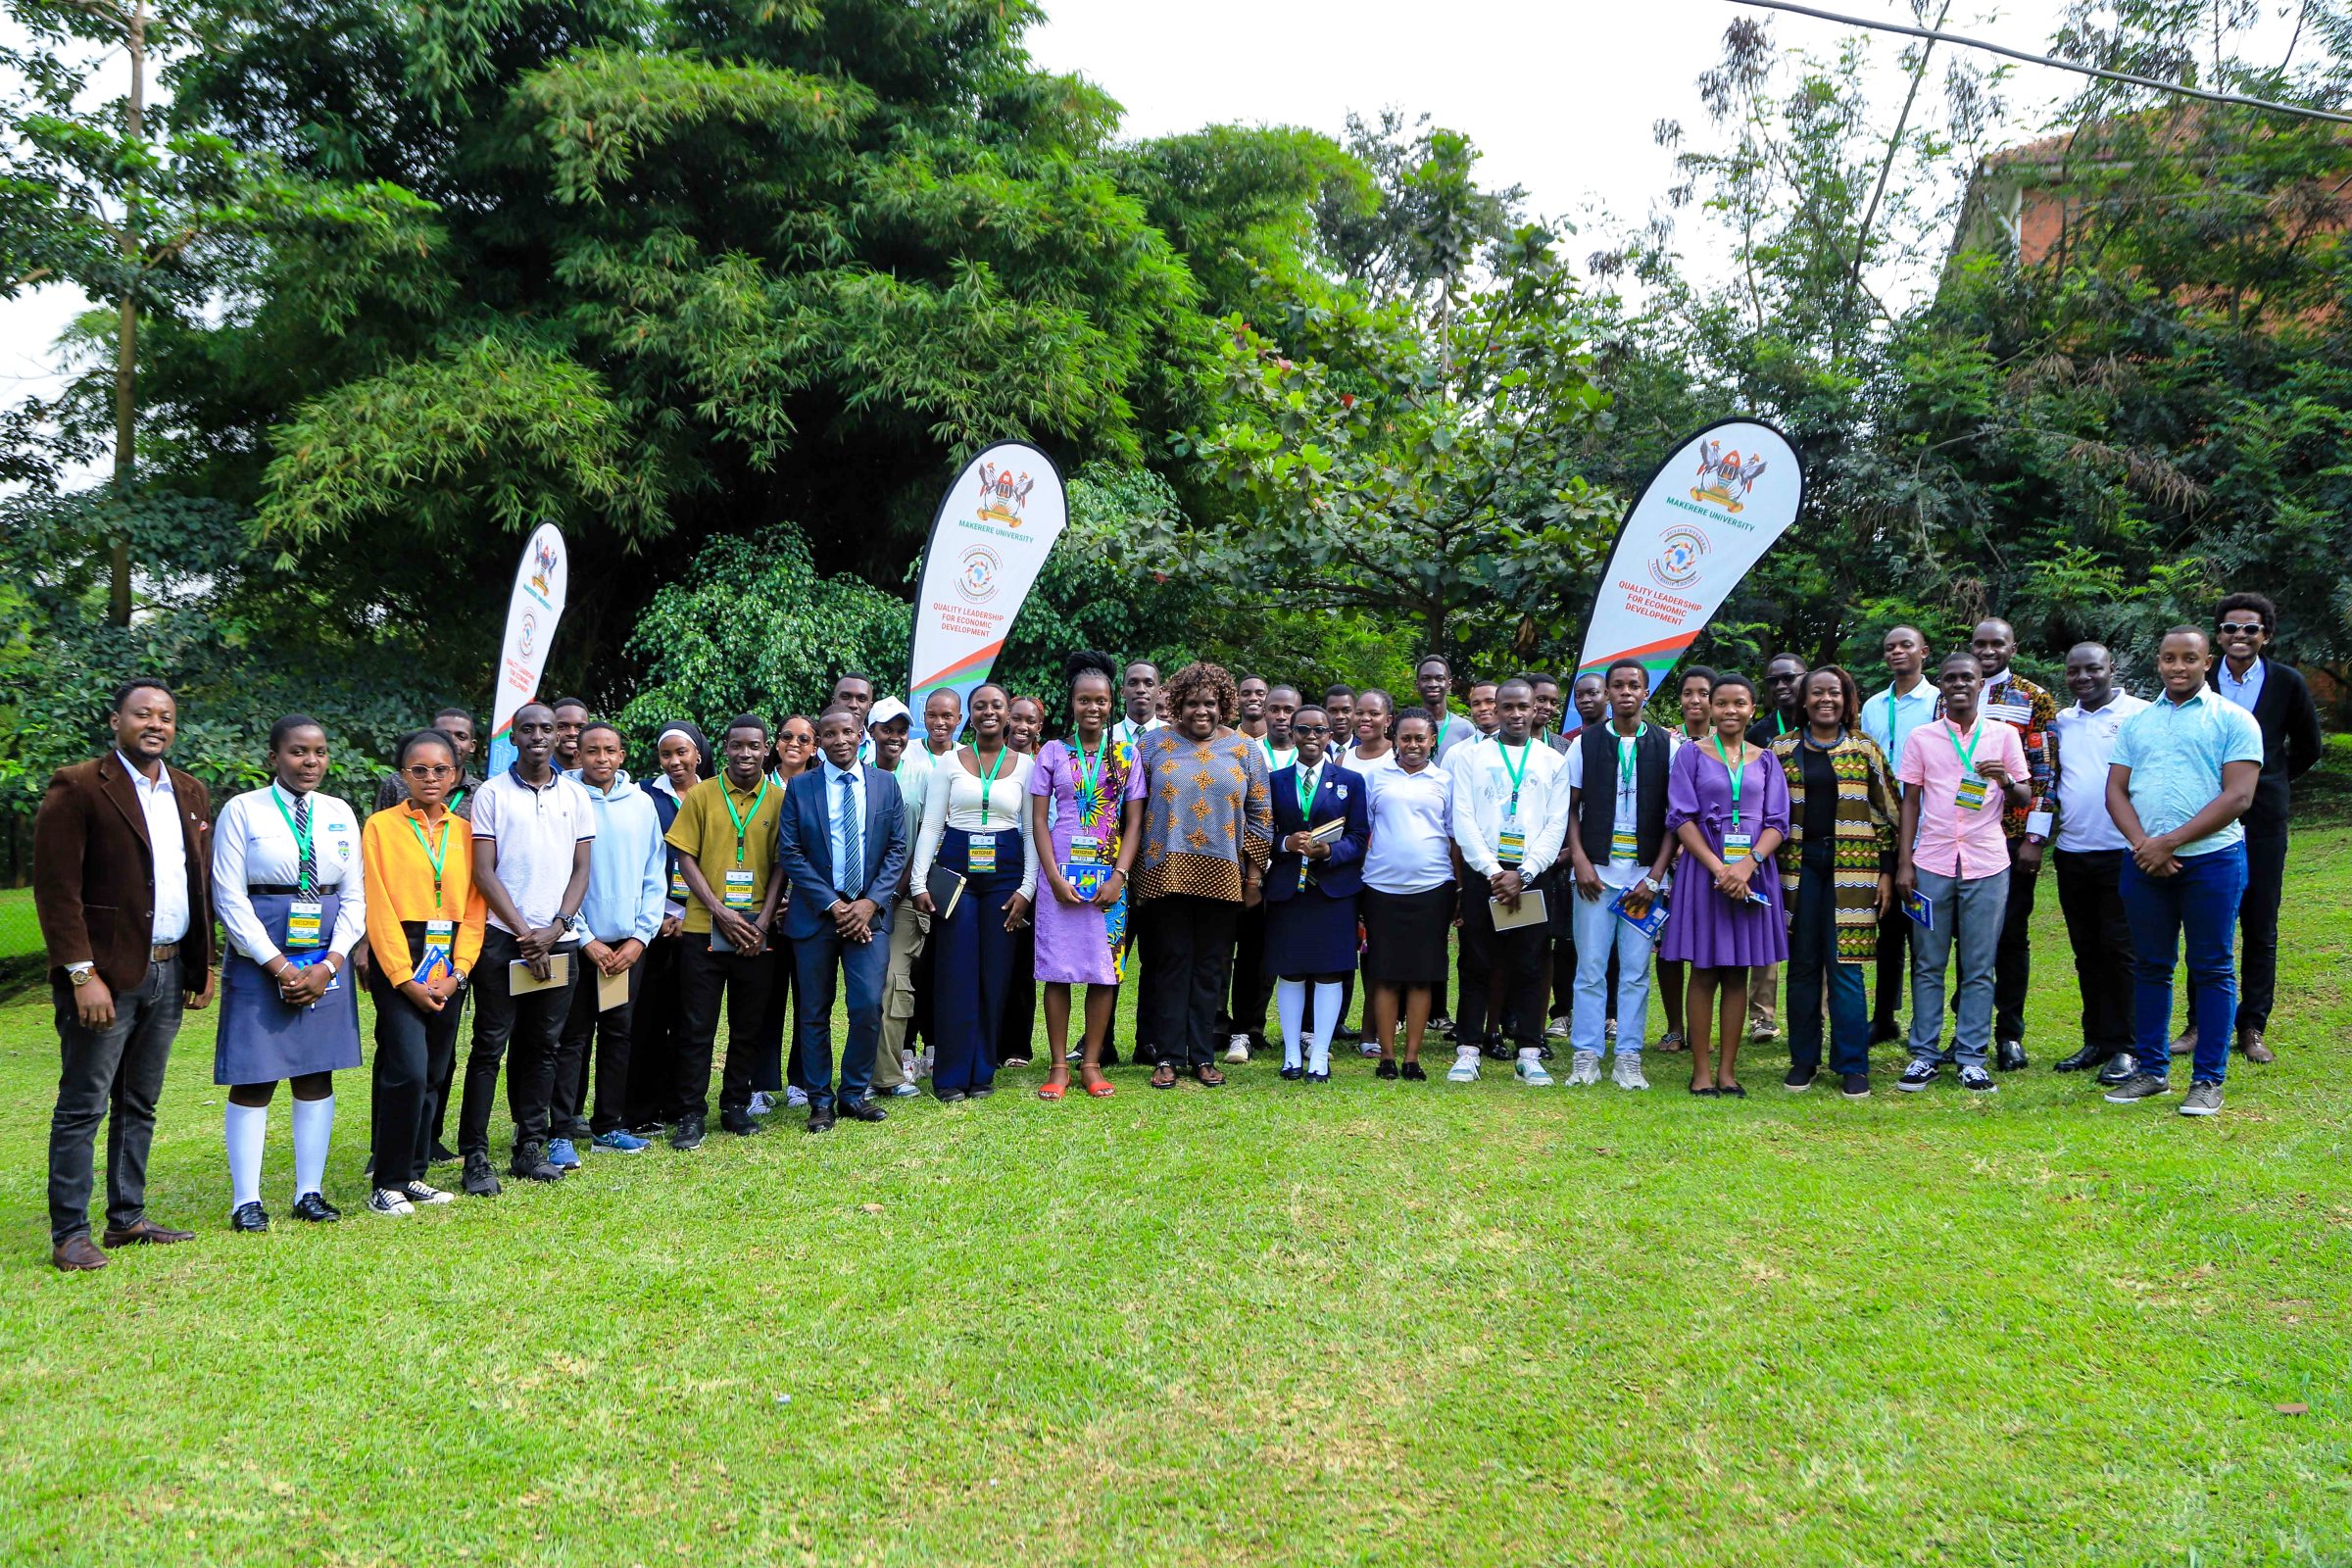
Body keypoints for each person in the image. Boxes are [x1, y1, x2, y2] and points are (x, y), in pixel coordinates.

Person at [36, 679, 216, 1269]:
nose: (156, 724)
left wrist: (202, 962)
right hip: (106, 977)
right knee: (84, 1104)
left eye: (165, 715)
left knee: (140, 1102)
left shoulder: (189, 791)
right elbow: (57, 890)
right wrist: (81, 972)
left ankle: (127, 1218)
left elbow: (195, 882)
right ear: (117, 721)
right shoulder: (81, 785)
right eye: (144, 714)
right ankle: (70, 1233)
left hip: (168, 970)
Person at [211, 715, 367, 1231]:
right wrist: (276, 965)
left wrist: (331, 963)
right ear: (273, 757)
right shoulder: (243, 810)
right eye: (299, 752)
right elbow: (229, 898)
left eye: (320, 752)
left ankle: (310, 1192)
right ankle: (246, 1200)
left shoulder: (340, 812)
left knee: (315, 1071)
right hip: (261, 948)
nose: (311, 762)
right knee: (255, 1076)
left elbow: (354, 896)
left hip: (324, 952)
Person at [2101, 627, 2265, 1117]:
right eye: (2169, 659)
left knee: (2212, 968)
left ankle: (2208, 1080)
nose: (2178, 667)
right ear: (2158, 662)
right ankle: (2151, 1071)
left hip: (2213, 860)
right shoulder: (2138, 723)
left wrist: (2170, 842)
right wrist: (2143, 845)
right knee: (2151, 966)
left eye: (2189, 659)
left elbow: (2239, 797)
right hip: (2145, 861)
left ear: (2206, 662)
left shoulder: (2234, 719)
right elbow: (2115, 791)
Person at [457, 702, 594, 1192]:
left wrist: (556, 928)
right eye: (528, 729)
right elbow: (483, 871)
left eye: (547, 728)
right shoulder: (491, 795)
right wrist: (524, 935)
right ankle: (474, 1154)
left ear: (559, 737)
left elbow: (582, 870)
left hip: (561, 942)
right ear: (512, 738)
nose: (538, 736)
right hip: (502, 940)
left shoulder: (575, 796)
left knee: (544, 1047)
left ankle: (529, 1145)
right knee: (490, 1046)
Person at [2184, 591, 2324, 1064]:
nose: (2239, 636)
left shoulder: (2286, 681)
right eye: (2229, 628)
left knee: (2260, 923)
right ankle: (2199, 1023)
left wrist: (2272, 780)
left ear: (2266, 635)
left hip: (2263, 820)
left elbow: (2308, 746)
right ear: (2216, 635)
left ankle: (2252, 1027)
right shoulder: (2197, 681)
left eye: (2250, 628)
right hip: (2206, 816)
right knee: (2206, 920)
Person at [1893, 653, 2032, 1095]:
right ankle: (1924, 1055)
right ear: (1942, 685)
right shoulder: (1922, 737)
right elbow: (1910, 802)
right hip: (1931, 862)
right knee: (1928, 961)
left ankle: (1972, 1056)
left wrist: (2007, 780)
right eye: (1950, 678)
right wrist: (1904, 863)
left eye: (1966, 678)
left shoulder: (2004, 736)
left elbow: (2026, 793)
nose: (1958, 685)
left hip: (1987, 864)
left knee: (1978, 964)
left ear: (1980, 685)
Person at [361, 728, 486, 1215]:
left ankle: (414, 1175)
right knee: (406, 1070)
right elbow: (378, 906)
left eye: (441, 769)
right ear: (403, 775)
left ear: (455, 775)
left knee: (435, 1071)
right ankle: (386, 1182)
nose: (430, 778)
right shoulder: (381, 826)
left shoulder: (464, 831)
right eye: (419, 770)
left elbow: (475, 907)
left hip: (448, 959)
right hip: (402, 957)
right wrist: (402, 978)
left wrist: (459, 972)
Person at [1130, 662, 1272, 1090]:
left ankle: (1204, 1055)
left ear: (1224, 704)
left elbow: (1261, 817)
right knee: (1169, 964)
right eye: (1192, 703)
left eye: (1210, 703)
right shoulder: (1152, 746)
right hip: (1163, 874)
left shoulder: (1246, 750)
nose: (1201, 711)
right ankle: (1168, 1056)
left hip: (1224, 876)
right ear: (1176, 705)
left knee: (1211, 968)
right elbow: (1131, 811)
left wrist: (1252, 880)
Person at [775, 706, 909, 1131]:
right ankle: (819, 1100)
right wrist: (834, 905)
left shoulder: (886, 785)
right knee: (813, 1011)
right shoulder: (801, 788)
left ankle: (853, 1093)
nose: (840, 740)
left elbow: (896, 849)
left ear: (861, 735)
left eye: (847, 732)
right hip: (816, 918)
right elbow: (791, 853)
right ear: (819, 742)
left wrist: (870, 903)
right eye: (829, 734)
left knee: (868, 1005)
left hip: (869, 918)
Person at [1769, 668, 1897, 1099]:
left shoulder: (1864, 749)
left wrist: (1887, 870)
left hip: (1855, 867)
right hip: (1797, 866)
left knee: (1846, 967)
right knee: (1803, 965)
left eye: (1834, 692)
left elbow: (1888, 812)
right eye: (1817, 693)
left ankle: (1852, 1065)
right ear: (1803, 701)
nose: (1826, 699)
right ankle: (1803, 1060)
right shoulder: (1781, 749)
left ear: (1847, 699)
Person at [1662, 673, 1789, 1098]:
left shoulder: (1767, 759)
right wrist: (1721, 868)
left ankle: (1728, 1072)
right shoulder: (1690, 755)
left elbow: (1778, 823)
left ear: (1753, 708)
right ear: (1711, 708)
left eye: (1739, 703)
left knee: (1737, 972)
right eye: (1722, 703)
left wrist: (1747, 865)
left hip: (1753, 872)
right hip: (1705, 873)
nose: (1730, 710)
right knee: (1702, 970)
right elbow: (1681, 817)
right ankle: (1701, 1071)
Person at [1029, 651, 1148, 1100]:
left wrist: (1120, 875)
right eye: (1083, 700)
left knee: (1105, 971)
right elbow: (1038, 820)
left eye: (1099, 701)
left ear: (1111, 703)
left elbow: (1134, 822)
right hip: (1058, 876)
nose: (1092, 708)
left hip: (1108, 876)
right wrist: (1053, 878)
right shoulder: (1053, 752)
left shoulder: (1125, 755)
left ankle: (1092, 1064)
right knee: (1057, 971)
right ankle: (1059, 1066)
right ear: (1072, 703)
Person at [911, 683, 1038, 1101]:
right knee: (955, 974)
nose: (988, 712)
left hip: (1005, 873)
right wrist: (918, 882)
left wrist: (1027, 887)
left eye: (996, 706)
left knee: (995, 974)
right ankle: (949, 1076)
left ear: (1008, 714)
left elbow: (1030, 831)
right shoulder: (948, 762)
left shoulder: (1027, 765)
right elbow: (931, 824)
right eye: (980, 706)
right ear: (970, 713)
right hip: (955, 871)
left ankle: (982, 1071)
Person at [665, 715, 788, 1148]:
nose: (745, 753)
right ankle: (690, 1114)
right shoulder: (700, 795)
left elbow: (781, 866)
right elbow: (685, 859)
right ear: (726, 746)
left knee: (747, 1024)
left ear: (765, 747)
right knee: (697, 1026)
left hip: (756, 933)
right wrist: (718, 910)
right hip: (703, 929)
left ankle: (735, 1104)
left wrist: (763, 920)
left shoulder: (777, 799)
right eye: (737, 745)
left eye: (754, 746)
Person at [1565, 661, 1683, 1092]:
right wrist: (1579, 860)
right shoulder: (1585, 743)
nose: (1626, 692)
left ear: (1646, 693)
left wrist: (1654, 878)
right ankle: (1587, 1055)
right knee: (1591, 967)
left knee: (1634, 970)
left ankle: (1628, 1057)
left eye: (1635, 685)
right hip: (1596, 875)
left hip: (1642, 881)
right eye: (1618, 685)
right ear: (1609, 693)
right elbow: (1570, 808)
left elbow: (1676, 818)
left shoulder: (1668, 746)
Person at [552, 722, 665, 1160]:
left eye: (610, 751)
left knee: (619, 1035)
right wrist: (584, 938)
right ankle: (561, 1129)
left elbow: (655, 873)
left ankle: (609, 1126)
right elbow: (561, 873)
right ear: (578, 754)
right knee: (573, 1038)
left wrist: (639, 937)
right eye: (592, 750)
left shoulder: (640, 804)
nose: (601, 758)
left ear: (622, 756)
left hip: (627, 948)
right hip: (579, 944)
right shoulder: (565, 801)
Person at [1449, 677, 1569, 1087]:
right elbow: (1462, 818)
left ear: (1536, 709)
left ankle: (1529, 1053)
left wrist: (1526, 872)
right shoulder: (1472, 758)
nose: (1516, 714)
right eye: (1508, 707)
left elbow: (1556, 824)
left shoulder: (1553, 761)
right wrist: (1492, 871)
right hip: (1488, 873)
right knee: (1477, 961)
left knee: (1530, 964)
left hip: (1532, 873)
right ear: (1495, 711)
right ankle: (1468, 1051)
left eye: (1524, 707)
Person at [2047, 644, 2149, 1084]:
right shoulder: (2063, 722)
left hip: (2123, 851)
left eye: (2093, 669)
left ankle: (2129, 1046)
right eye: (2074, 671)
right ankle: (2097, 1039)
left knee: (2121, 951)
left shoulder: (2140, 714)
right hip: (2072, 851)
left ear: (2112, 669)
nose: (2083, 677)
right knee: (2086, 951)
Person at [1966, 617, 2058, 1071]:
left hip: (2012, 837)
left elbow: (2044, 773)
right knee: (1968, 941)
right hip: (1960, 839)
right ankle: (1967, 1036)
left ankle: (2009, 1034)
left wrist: (2036, 839)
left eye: (1996, 644)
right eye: (1979, 644)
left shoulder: (2033, 698)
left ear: (2012, 648)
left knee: (2011, 938)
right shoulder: (1954, 693)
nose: (1987, 651)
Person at [1263, 704, 1369, 1082]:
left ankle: (1320, 1055)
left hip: (1333, 891)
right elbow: (1261, 832)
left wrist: (1330, 852)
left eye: (1319, 731)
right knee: (1290, 973)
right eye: (1303, 730)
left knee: (1329, 973)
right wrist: (1287, 843)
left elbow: (1359, 837)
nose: (1311, 737)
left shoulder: (1351, 781)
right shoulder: (1274, 780)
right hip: (1289, 891)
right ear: (1291, 735)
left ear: (1330, 736)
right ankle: (1292, 1053)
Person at [1360, 710, 1454, 1079]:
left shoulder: (1444, 780)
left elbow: (1453, 836)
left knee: (1421, 975)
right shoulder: (1375, 778)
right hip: (1381, 888)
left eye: (1420, 738)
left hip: (1433, 888)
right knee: (1384, 974)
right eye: (1405, 738)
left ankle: (1412, 1057)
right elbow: (1362, 830)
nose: (1413, 745)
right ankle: (1386, 1056)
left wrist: (1458, 888)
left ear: (1432, 740)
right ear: (1394, 738)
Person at [627, 721, 710, 1132]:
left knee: (690, 1018)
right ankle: (641, 1111)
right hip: (651, 924)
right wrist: (659, 915)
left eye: (682, 753)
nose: (675, 761)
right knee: (647, 1019)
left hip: (697, 921)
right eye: (666, 754)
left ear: (698, 754)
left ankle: (681, 1105)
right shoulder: (643, 795)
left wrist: (687, 914)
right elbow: (638, 859)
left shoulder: (713, 793)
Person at [1860, 626, 1936, 1046]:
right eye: (1889, 647)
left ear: (1924, 651)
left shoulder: (1938, 701)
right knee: (1887, 928)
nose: (1897, 652)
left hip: (1930, 828)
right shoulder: (1874, 705)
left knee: (1926, 931)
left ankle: (1928, 1021)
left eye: (1906, 645)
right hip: (1882, 828)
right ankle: (1884, 1015)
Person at [1741, 653, 1806, 1046]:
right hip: (1765, 846)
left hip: (1811, 844)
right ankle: (1762, 1017)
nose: (1782, 687)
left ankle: (1813, 1013)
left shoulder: (1824, 724)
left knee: (1810, 931)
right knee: (1765, 926)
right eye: (1773, 681)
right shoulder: (1759, 733)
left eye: (1790, 679)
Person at [862, 699, 925, 1099]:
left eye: (902, 730)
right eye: (887, 728)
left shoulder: (921, 776)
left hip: (900, 900)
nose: (895, 737)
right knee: (866, 987)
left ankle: (887, 1076)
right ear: (871, 732)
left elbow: (917, 844)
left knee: (893, 982)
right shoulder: (855, 776)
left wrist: (894, 893)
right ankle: (858, 1073)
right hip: (858, 900)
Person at [1654, 666, 1717, 1053]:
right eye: (1688, 693)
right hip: (1670, 854)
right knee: (1668, 943)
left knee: (1707, 942)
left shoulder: (1730, 743)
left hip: (1712, 856)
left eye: (1704, 693)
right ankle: (1675, 1027)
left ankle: (1700, 1030)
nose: (1695, 700)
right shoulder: (1667, 742)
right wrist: (1673, 843)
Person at [373, 706, 485, 818]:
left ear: (472, 746)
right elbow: (380, 825)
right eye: (444, 735)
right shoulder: (397, 782)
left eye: (461, 737)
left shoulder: (481, 793)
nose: (452, 742)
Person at [1413, 655, 1478, 752]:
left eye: (1439, 679)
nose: (1433, 684)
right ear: (1417, 685)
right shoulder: (1407, 726)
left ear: (1449, 685)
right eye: (1426, 679)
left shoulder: (1465, 729)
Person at [1436, 678, 1500, 766]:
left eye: (1490, 702)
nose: (1483, 708)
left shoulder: (1518, 747)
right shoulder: (1456, 753)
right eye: (1476, 704)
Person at [1113, 662, 1164, 754]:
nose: (1141, 689)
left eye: (1149, 684)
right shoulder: (1107, 738)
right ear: (1122, 692)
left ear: (1159, 692)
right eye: (1133, 683)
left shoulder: (1174, 737)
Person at [1345, 689, 1396, 771]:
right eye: (1359, 713)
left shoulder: (1398, 754)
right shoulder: (1343, 759)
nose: (1365, 718)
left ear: (1387, 721)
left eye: (1374, 714)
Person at [550, 697, 591, 774]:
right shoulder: (533, 772)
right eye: (561, 727)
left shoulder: (601, 774)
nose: (572, 733)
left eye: (580, 728)